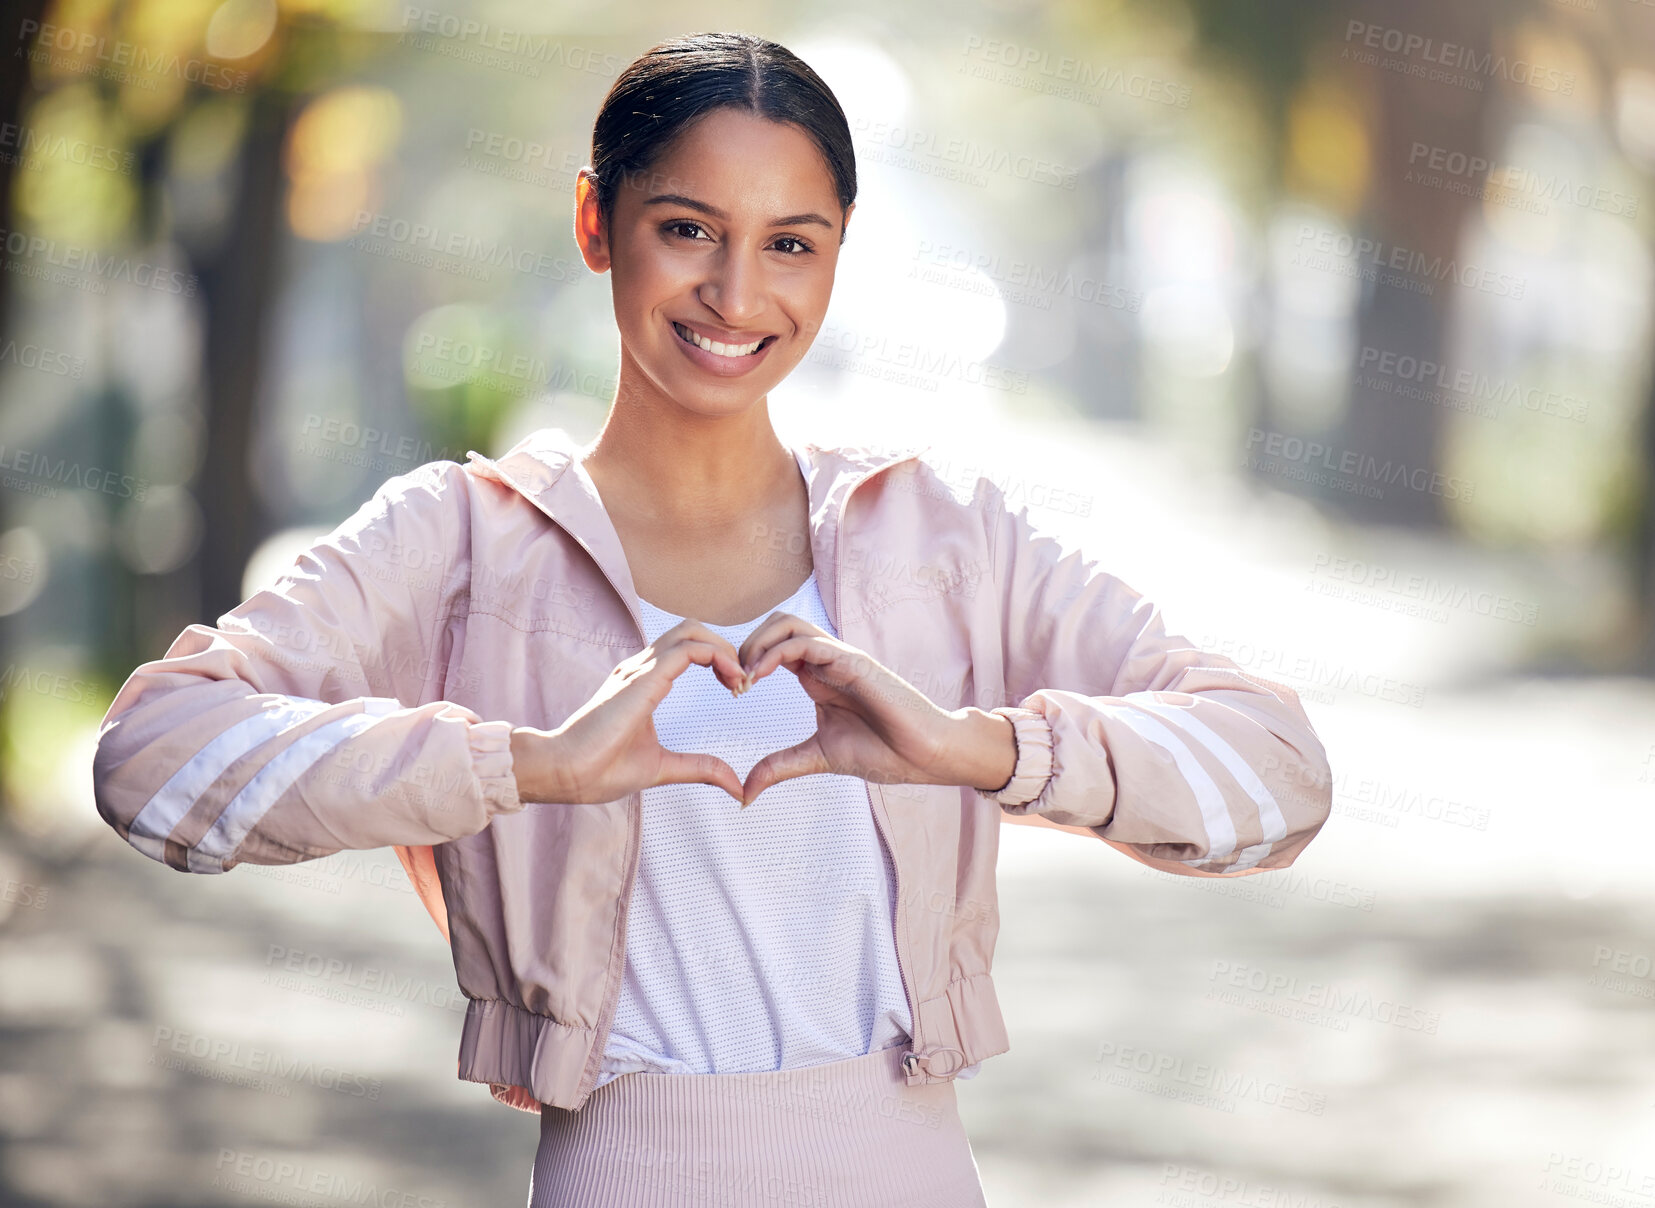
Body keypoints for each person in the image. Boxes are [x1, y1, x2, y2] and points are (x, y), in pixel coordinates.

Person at [90, 31, 1335, 1208]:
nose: (736, 294)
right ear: (596, 223)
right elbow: (151, 759)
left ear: (841, 253)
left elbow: (1278, 777)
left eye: (791, 244)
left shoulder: (947, 538)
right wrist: (525, 765)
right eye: (686, 229)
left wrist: (983, 752)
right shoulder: (461, 539)